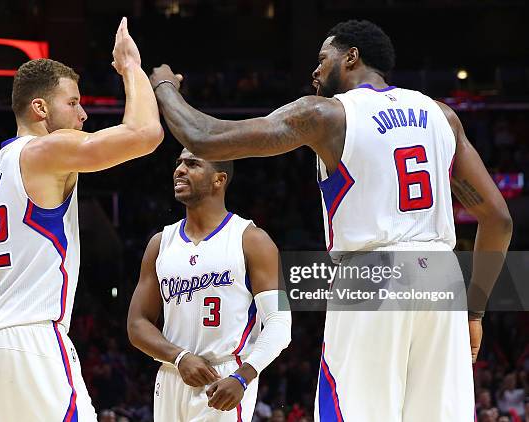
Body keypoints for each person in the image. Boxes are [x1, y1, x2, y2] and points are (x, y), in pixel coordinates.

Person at [149, 19, 513, 422]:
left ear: (351, 57)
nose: (315, 71)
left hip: (372, 275)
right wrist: (475, 313)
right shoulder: (443, 116)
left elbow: (203, 136)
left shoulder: (327, 114)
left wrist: (163, 86)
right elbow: (497, 219)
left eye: (323, 59)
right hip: (442, 279)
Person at [0, 18, 163, 421]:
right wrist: (131, 68)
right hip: (31, 338)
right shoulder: (44, 151)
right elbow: (145, 134)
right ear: (40, 108)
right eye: (73, 103)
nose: (83, 114)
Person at [127, 149, 292, 421]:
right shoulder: (160, 243)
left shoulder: (253, 240)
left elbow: (280, 322)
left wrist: (243, 377)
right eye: (178, 162)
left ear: (219, 179)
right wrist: (179, 357)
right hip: (171, 373)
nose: (179, 169)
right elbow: (137, 325)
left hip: (224, 378)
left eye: (192, 164)